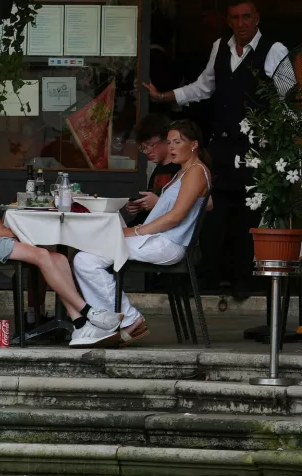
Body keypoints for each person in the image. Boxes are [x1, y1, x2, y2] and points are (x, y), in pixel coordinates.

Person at [143, 0, 288, 299]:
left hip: (256, 149)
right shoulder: (220, 46)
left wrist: (281, 143)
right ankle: (210, 276)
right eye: (235, 18)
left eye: (247, 17)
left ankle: (244, 280)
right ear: (229, 21)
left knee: (248, 215)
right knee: (212, 210)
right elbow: (203, 87)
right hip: (221, 147)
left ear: (257, 18)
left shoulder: (274, 50)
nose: (242, 23)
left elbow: (288, 99)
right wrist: (163, 97)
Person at [0, 141, 123, 348]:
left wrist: (11, 232)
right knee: (42, 255)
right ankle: (88, 312)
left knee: (59, 257)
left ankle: (78, 323)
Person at [72, 120, 211, 346]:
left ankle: (127, 320)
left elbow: (176, 217)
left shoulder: (196, 171)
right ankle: (112, 322)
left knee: (85, 259)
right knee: (85, 258)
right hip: (158, 240)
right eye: (169, 142)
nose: (172, 147)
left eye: (178, 142)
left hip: (167, 243)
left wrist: (135, 230)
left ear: (194, 144)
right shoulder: (184, 173)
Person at [125, 113, 183, 226]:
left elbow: (188, 206)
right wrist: (140, 206)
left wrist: (158, 202)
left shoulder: (181, 168)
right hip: (148, 225)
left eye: (150, 145)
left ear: (167, 139)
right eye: (143, 148)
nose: (147, 151)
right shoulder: (158, 169)